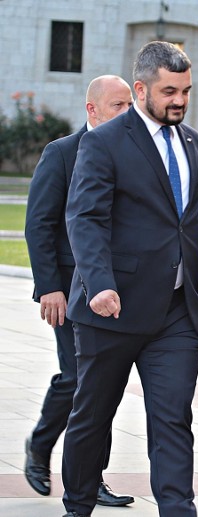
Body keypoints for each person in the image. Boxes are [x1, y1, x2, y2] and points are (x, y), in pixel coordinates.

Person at [61, 42, 198, 517]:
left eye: (185, 90)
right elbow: (85, 217)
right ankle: (78, 506)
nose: (179, 101)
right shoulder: (103, 142)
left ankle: (177, 510)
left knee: (172, 419)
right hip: (113, 308)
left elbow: (187, 224)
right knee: (92, 417)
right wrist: (99, 283)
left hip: (176, 313)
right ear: (141, 88)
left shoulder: (195, 144)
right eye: (169, 91)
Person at [23, 75, 135, 508]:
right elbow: (39, 224)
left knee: (102, 383)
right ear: (92, 110)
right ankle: (40, 444)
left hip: (118, 289)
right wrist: (49, 287)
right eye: (117, 105)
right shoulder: (62, 153)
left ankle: (93, 478)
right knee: (78, 378)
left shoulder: (138, 154)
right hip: (70, 290)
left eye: (130, 104)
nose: (127, 113)